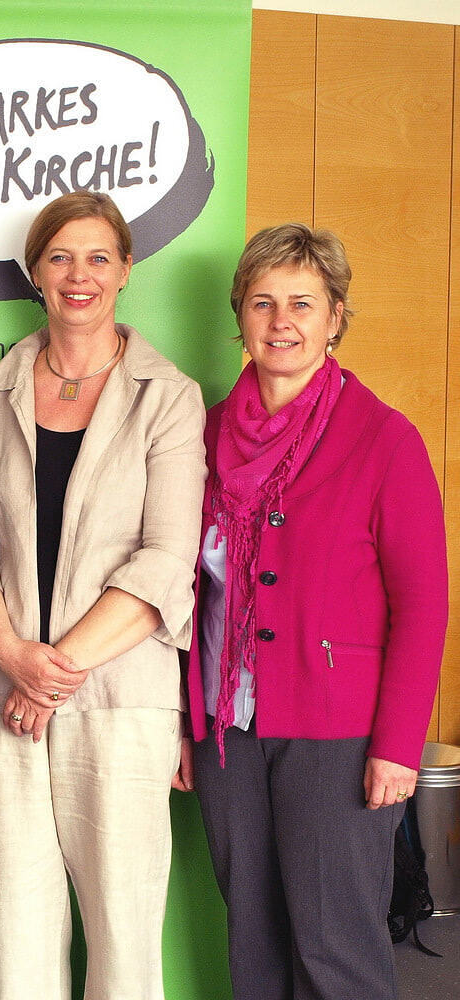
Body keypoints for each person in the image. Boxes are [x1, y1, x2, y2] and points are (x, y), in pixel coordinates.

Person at [0, 191, 205, 1000]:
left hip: (120, 697)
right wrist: (15, 658)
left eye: (97, 257)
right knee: (17, 924)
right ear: (34, 274)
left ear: (124, 272)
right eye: (59, 257)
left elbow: (164, 560)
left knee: (123, 929)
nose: (78, 275)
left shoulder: (168, 396)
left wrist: (56, 672)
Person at [186, 223, 448, 1000]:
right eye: (261, 302)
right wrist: (182, 722)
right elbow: (187, 594)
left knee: (335, 943)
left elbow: (423, 606)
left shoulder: (383, 439)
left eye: (302, 302)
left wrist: (397, 747)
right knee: (253, 939)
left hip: (337, 733)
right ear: (239, 316)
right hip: (226, 731)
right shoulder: (201, 435)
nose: (280, 321)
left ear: (334, 316)